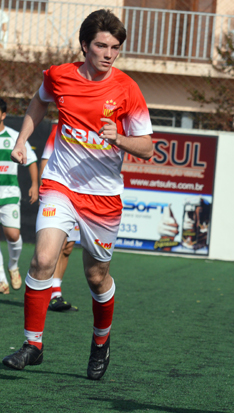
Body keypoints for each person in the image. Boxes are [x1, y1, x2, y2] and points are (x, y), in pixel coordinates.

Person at [2, 9, 154, 379]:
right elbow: (40, 101)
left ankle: (101, 341)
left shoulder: (127, 89)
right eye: (101, 45)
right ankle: (33, 344)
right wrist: (21, 141)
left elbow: (148, 147)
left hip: (103, 198)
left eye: (115, 48)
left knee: (96, 276)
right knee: (42, 259)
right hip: (61, 185)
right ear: (84, 45)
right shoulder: (59, 76)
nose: (108, 54)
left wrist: (118, 137)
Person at [0, 98, 39, 294]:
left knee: (13, 235)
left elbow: (31, 159)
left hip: (8, 193)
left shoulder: (15, 137)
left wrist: (34, 184)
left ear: (3, 115)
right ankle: (0, 278)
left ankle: (13, 266)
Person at [40, 123, 79, 311]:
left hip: (82, 196)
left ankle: (56, 291)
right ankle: (51, 293)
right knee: (56, 246)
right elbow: (45, 159)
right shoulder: (59, 128)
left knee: (68, 247)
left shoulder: (93, 129)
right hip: (58, 194)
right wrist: (44, 193)